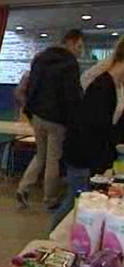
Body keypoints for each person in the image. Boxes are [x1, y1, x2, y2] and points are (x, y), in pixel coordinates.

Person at [50, 36, 124, 230]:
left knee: (74, 204)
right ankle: (50, 241)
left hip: (87, 155)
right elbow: (93, 130)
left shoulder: (114, 85)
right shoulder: (102, 86)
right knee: (73, 206)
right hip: (83, 157)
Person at [16, 29, 85, 211]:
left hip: (38, 115)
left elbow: (32, 87)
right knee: (53, 159)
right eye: (79, 46)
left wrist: (30, 112)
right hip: (57, 119)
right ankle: (50, 198)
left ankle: (23, 188)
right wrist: (74, 120)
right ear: (70, 42)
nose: (80, 51)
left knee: (40, 155)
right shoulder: (70, 63)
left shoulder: (40, 59)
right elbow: (72, 95)